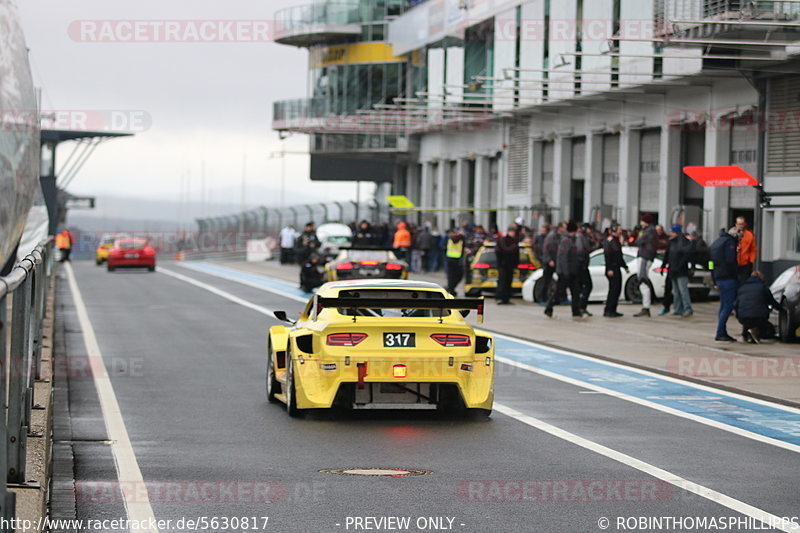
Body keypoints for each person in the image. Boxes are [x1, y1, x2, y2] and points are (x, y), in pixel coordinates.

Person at [545, 222, 583, 319]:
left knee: (575, 292)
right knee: (559, 292)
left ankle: (576, 311)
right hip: (565, 273)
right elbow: (563, 257)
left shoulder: (572, 239)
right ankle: (549, 307)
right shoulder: (566, 241)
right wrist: (566, 272)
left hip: (572, 271)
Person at [709, 228, 740, 342]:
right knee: (728, 306)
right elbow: (730, 261)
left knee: (723, 306)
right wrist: (736, 276)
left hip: (718, 278)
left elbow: (710, 263)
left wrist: (714, 277)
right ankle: (720, 332)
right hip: (728, 278)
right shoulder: (729, 243)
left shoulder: (716, 243)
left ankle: (722, 331)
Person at [735, 271, 781, 343]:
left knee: (748, 317)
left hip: (742, 317)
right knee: (760, 321)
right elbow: (772, 302)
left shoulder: (742, 287)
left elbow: (736, 304)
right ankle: (756, 332)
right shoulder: (763, 287)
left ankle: (747, 334)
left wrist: (737, 314)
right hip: (759, 317)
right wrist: (782, 309)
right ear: (761, 278)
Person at [660, 224, 694, 318]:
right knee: (676, 291)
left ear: (676, 232)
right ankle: (678, 309)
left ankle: (687, 309)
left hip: (680, 270)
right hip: (673, 269)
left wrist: (679, 266)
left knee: (683, 290)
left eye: (672, 232)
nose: (670, 233)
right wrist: (664, 266)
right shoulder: (671, 242)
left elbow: (685, 256)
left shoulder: (684, 242)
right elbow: (667, 255)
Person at [633, 214, 657, 317]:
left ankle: (646, 306)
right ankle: (645, 306)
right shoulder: (652, 231)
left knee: (642, 279)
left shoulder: (648, 231)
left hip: (644, 256)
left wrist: (638, 236)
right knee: (643, 279)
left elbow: (638, 241)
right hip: (647, 256)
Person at [603, 225, 629, 317]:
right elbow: (608, 255)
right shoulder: (611, 240)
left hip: (616, 267)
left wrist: (625, 266)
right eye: (619, 230)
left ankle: (613, 309)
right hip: (612, 268)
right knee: (613, 290)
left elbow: (619, 256)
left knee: (617, 289)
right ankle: (609, 310)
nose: (621, 231)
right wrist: (609, 268)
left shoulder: (616, 240)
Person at [538, 222, 565, 302]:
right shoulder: (552, 236)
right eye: (564, 227)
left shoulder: (561, 236)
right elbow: (546, 249)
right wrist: (549, 260)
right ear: (560, 228)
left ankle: (560, 297)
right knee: (546, 280)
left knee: (562, 279)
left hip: (557, 260)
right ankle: (543, 298)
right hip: (551, 261)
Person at [495, 226, 520, 305]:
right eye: (512, 232)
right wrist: (501, 262)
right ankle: (500, 297)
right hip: (503, 265)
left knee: (508, 281)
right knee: (502, 281)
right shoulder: (503, 240)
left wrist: (516, 263)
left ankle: (506, 298)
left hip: (510, 265)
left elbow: (516, 254)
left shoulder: (514, 241)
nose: (513, 233)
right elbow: (501, 250)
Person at [733, 216, 757, 283]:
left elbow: (753, 249)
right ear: (736, 224)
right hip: (734, 263)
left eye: (742, 224)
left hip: (745, 263)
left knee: (744, 281)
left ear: (745, 224)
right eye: (739, 224)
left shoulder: (749, 235)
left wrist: (751, 261)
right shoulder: (732, 234)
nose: (741, 226)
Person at [577, 224, 593, 316]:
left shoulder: (584, 237)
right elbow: (581, 251)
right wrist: (582, 263)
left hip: (582, 266)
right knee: (588, 285)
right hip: (581, 266)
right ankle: (581, 306)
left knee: (582, 286)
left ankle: (580, 307)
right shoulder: (581, 237)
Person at [445, 229, 465, 296]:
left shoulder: (449, 238)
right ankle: (451, 288)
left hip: (450, 258)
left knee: (451, 275)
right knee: (458, 275)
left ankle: (451, 288)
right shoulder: (461, 238)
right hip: (457, 260)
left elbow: (444, 247)